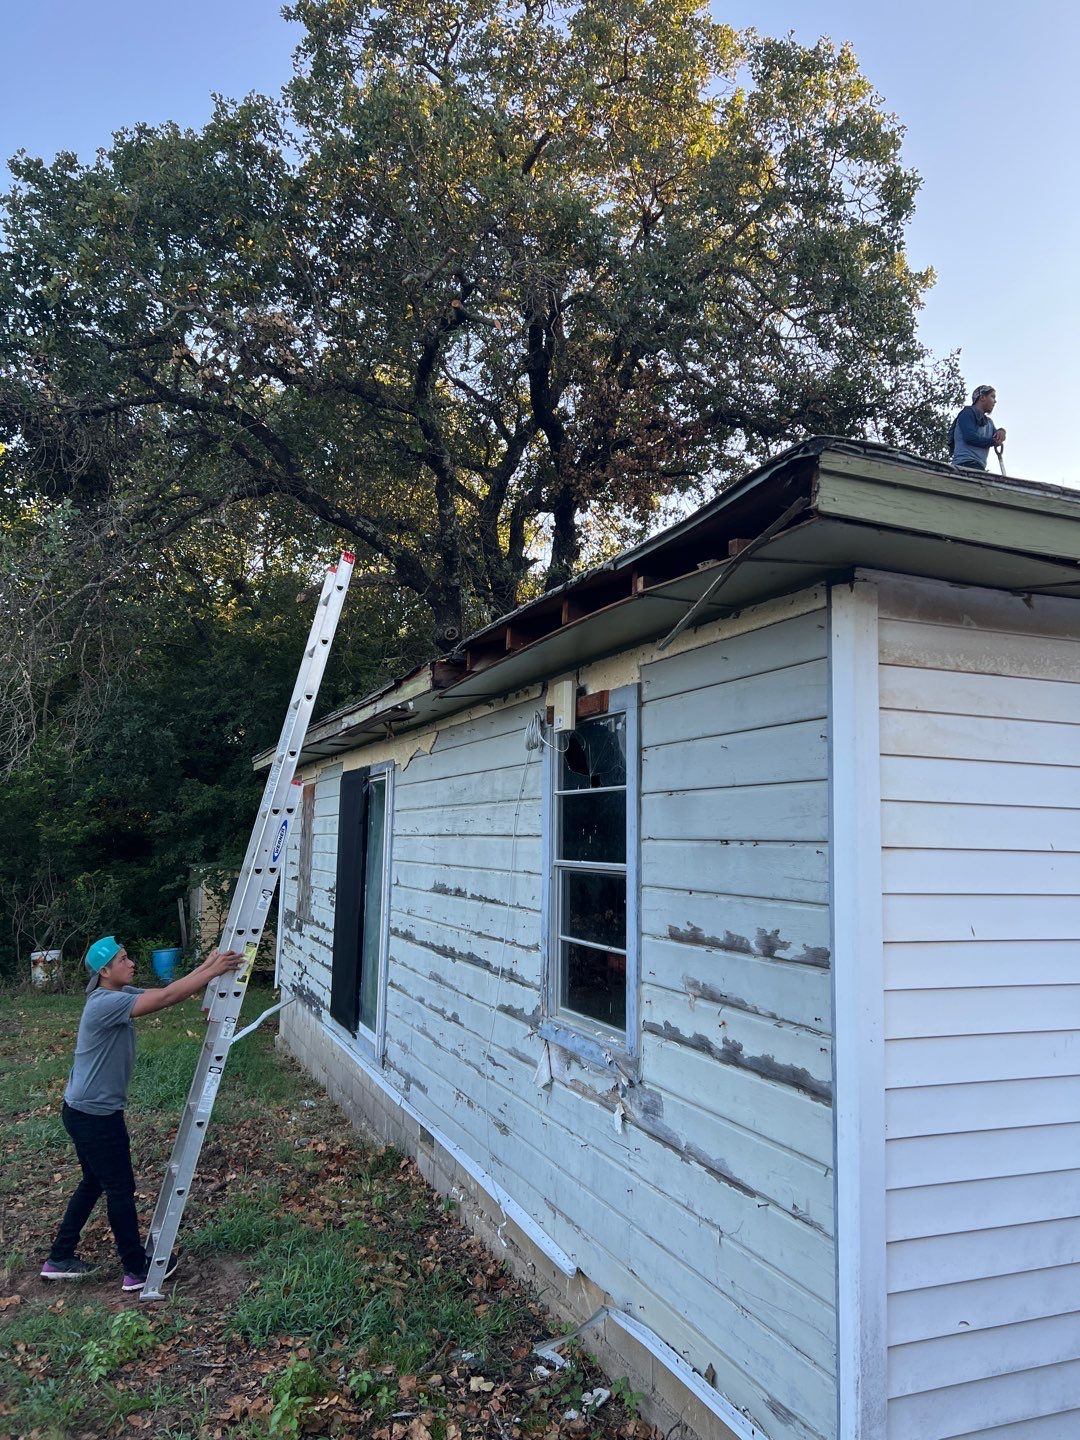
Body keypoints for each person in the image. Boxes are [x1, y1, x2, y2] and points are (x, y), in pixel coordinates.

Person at [40, 936, 242, 1291]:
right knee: (119, 1188)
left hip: (82, 1109)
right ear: (105, 971)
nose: (131, 962)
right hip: (95, 1115)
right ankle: (136, 1269)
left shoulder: (118, 994)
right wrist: (213, 969)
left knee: (93, 1182)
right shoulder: (103, 1004)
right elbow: (165, 998)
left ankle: (59, 1257)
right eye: (124, 959)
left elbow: (165, 990)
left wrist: (210, 967)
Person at [950, 384, 1006, 470]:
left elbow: (997, 438)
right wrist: (992, 442)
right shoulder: (967, 414)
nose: (995, 401)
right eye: (992, 397)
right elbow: (970, 437)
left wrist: (1001, 432)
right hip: (963, 465)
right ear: (982, 397)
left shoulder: (989, 423)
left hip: (979, 467)